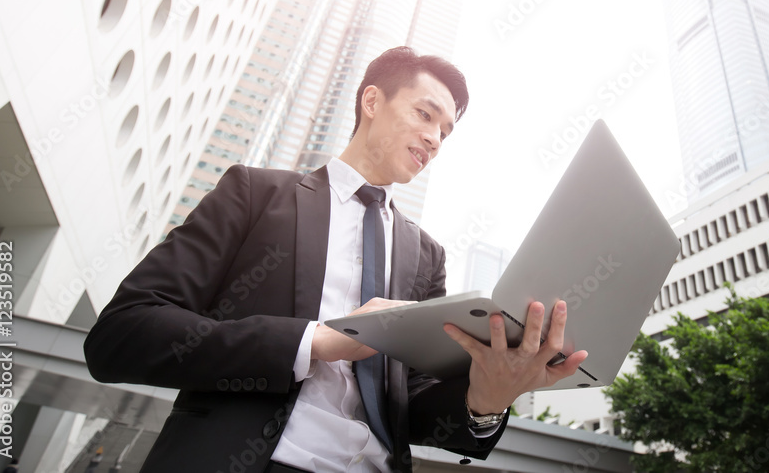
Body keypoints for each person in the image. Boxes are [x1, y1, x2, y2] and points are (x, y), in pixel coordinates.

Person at [84, 47, 587, 473]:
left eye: (446, 131)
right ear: (372, 101)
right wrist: (314, 341)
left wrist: (487, 398)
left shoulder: (426, 256)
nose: (436, 138)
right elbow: (121, 335)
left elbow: (413, 407)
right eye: (425, 114)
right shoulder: (256, 194)